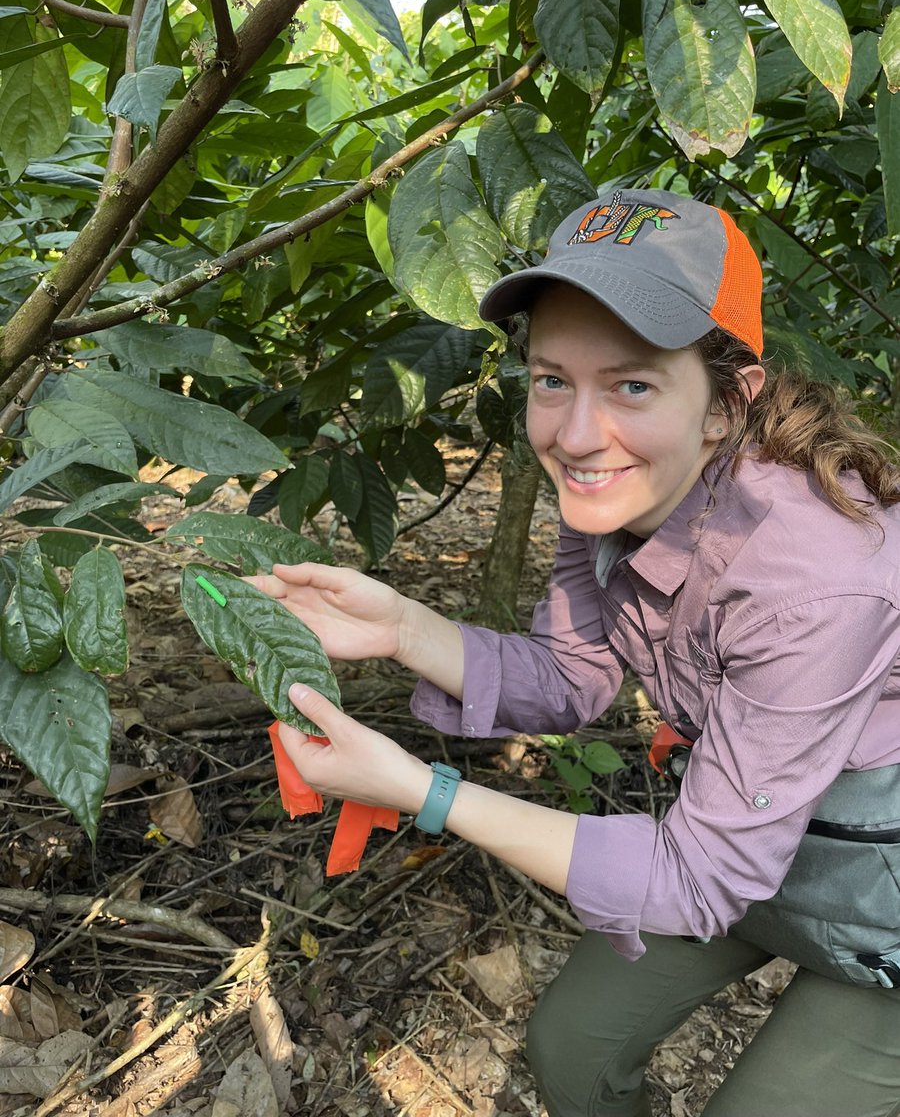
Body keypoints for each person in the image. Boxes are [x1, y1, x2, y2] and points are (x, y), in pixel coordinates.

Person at [249, 188, 900, 1117]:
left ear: (728, 403)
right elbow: (567, 680)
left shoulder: (814, 580)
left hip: (879, 883)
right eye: (553, 380)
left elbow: (696, 879)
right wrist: (401, 628)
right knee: (573, 1046)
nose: (577, 435)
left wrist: (425, 794)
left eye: (632, 384)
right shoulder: (619, 494)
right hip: (753, 834)